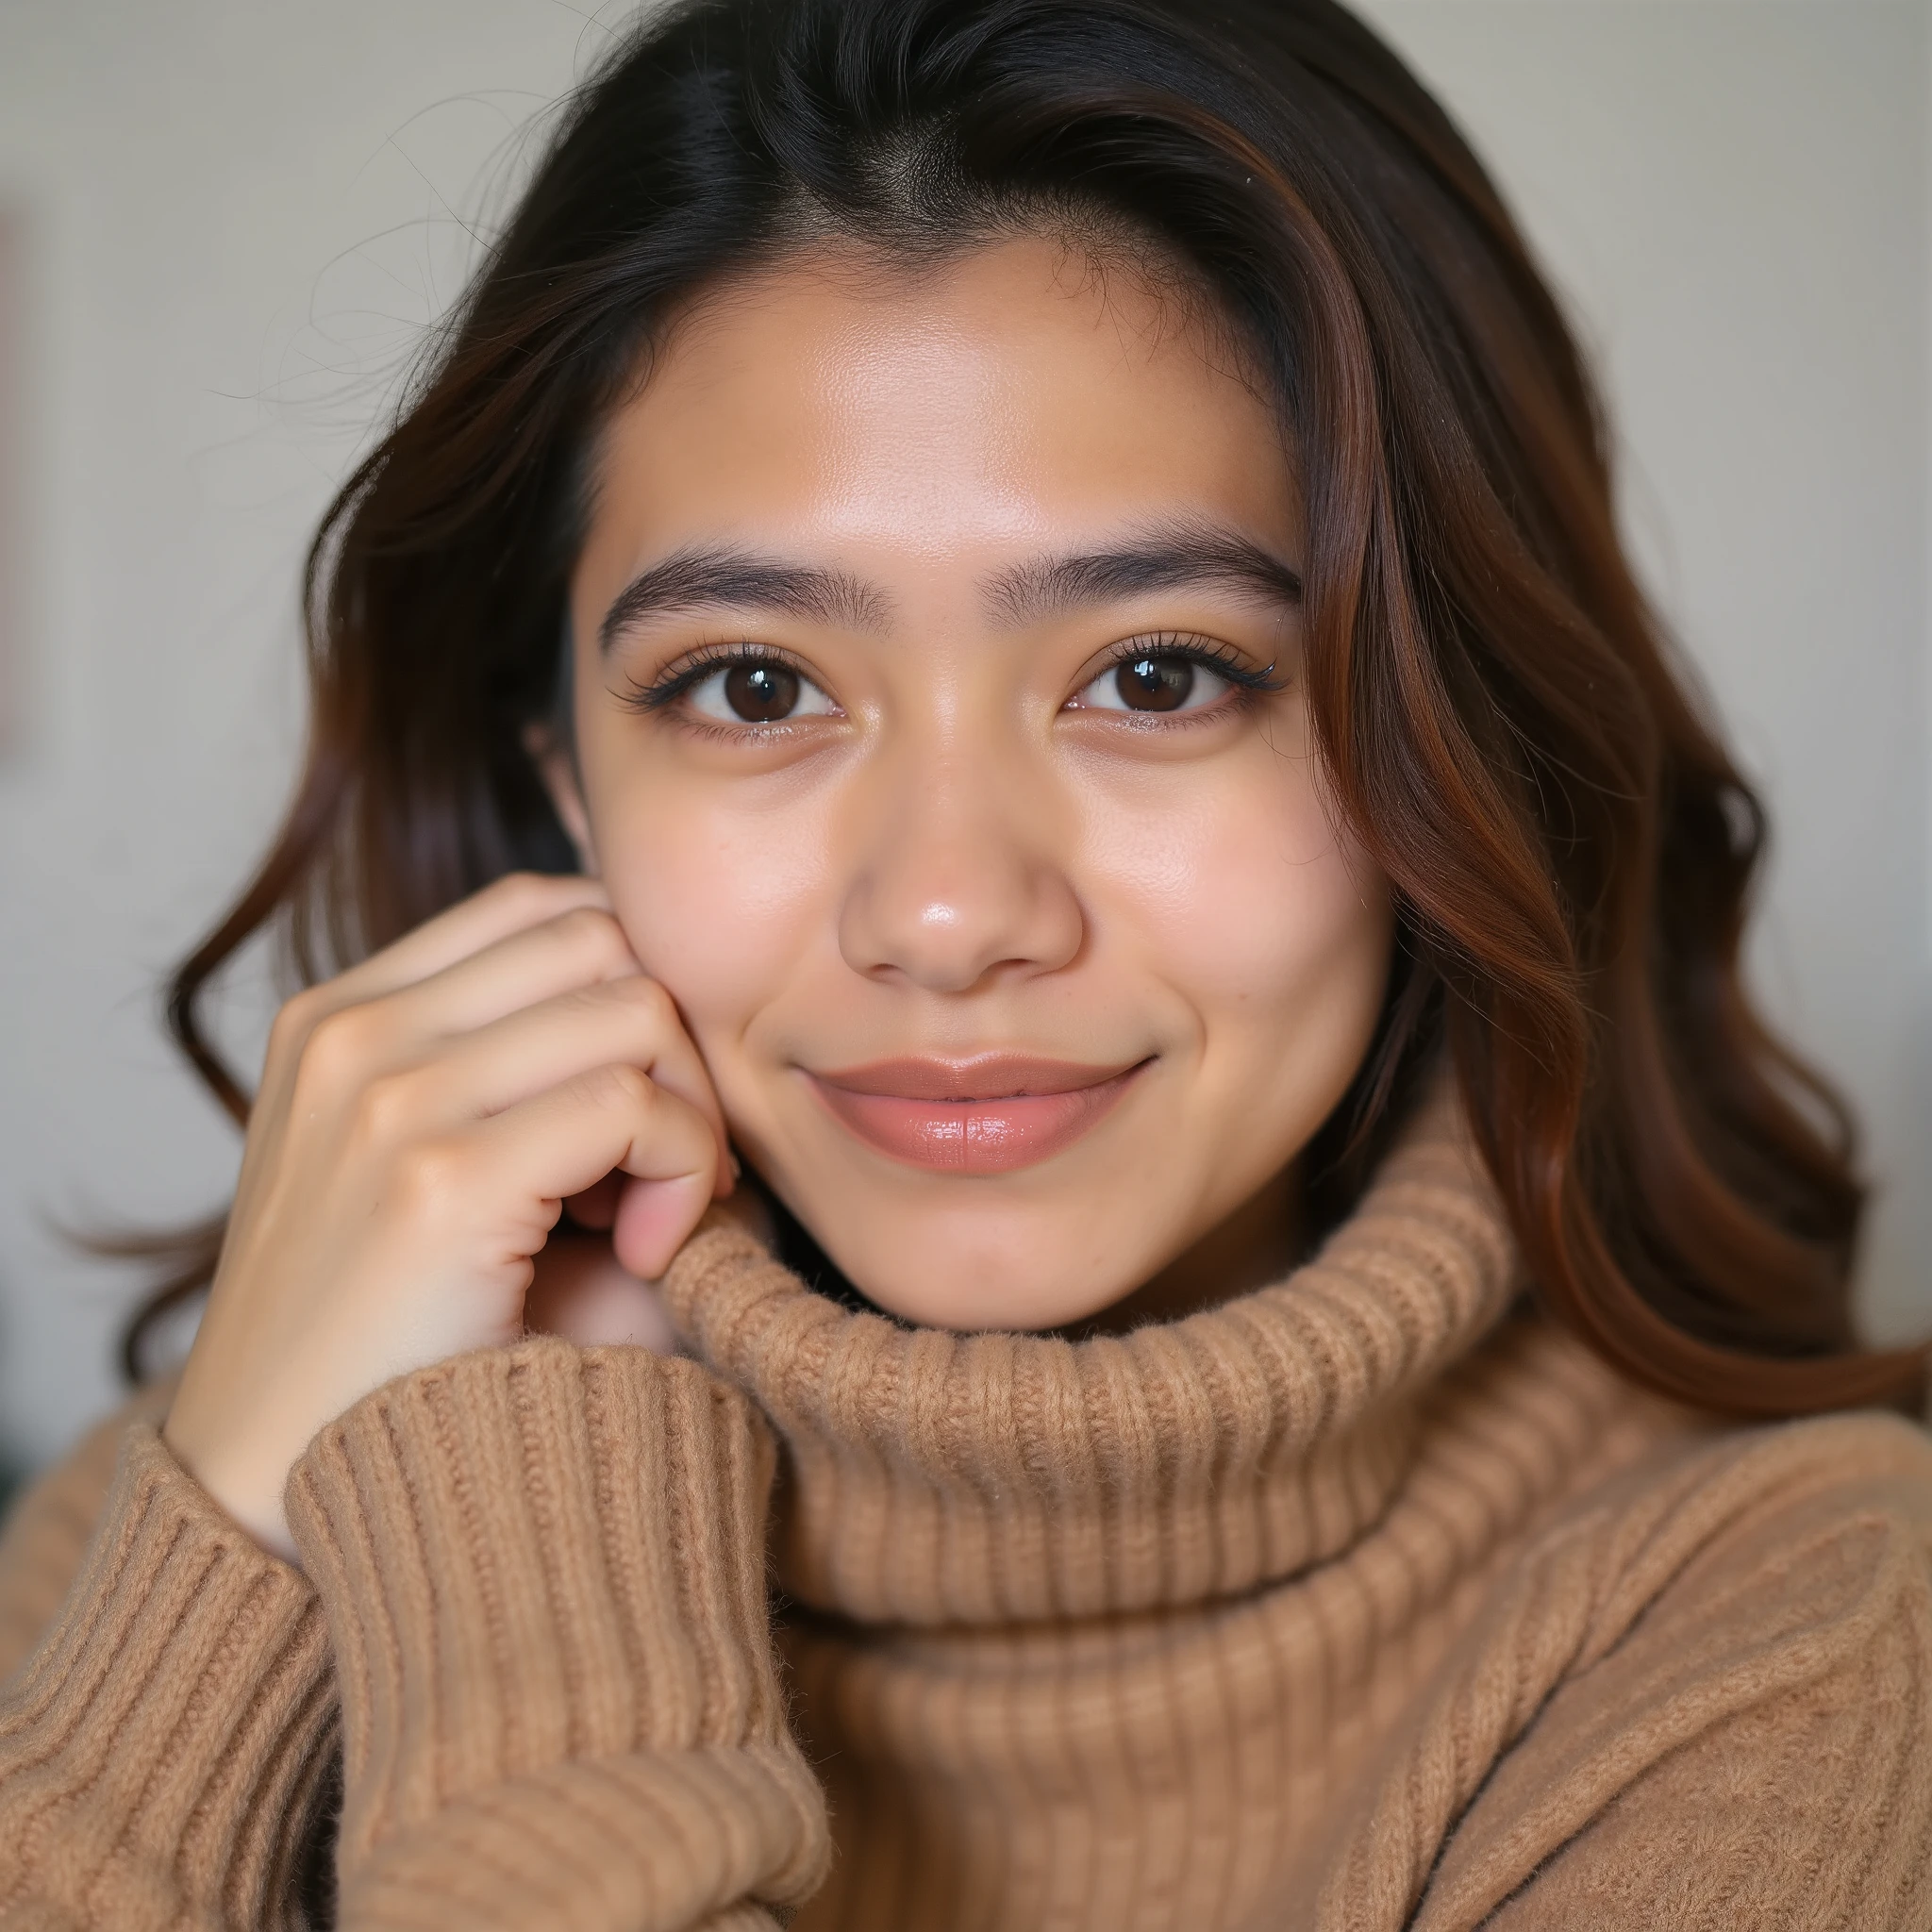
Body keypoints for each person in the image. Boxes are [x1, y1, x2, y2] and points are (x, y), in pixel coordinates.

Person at [2, 0, 1927, 1925]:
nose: (945, 911)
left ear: (1457, 736)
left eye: (1158, 675)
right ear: (568, 790)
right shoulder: (176, 1519)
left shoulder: (1793, 1626)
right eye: (754, 686)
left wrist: (528, 1545)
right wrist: (230, 1530)